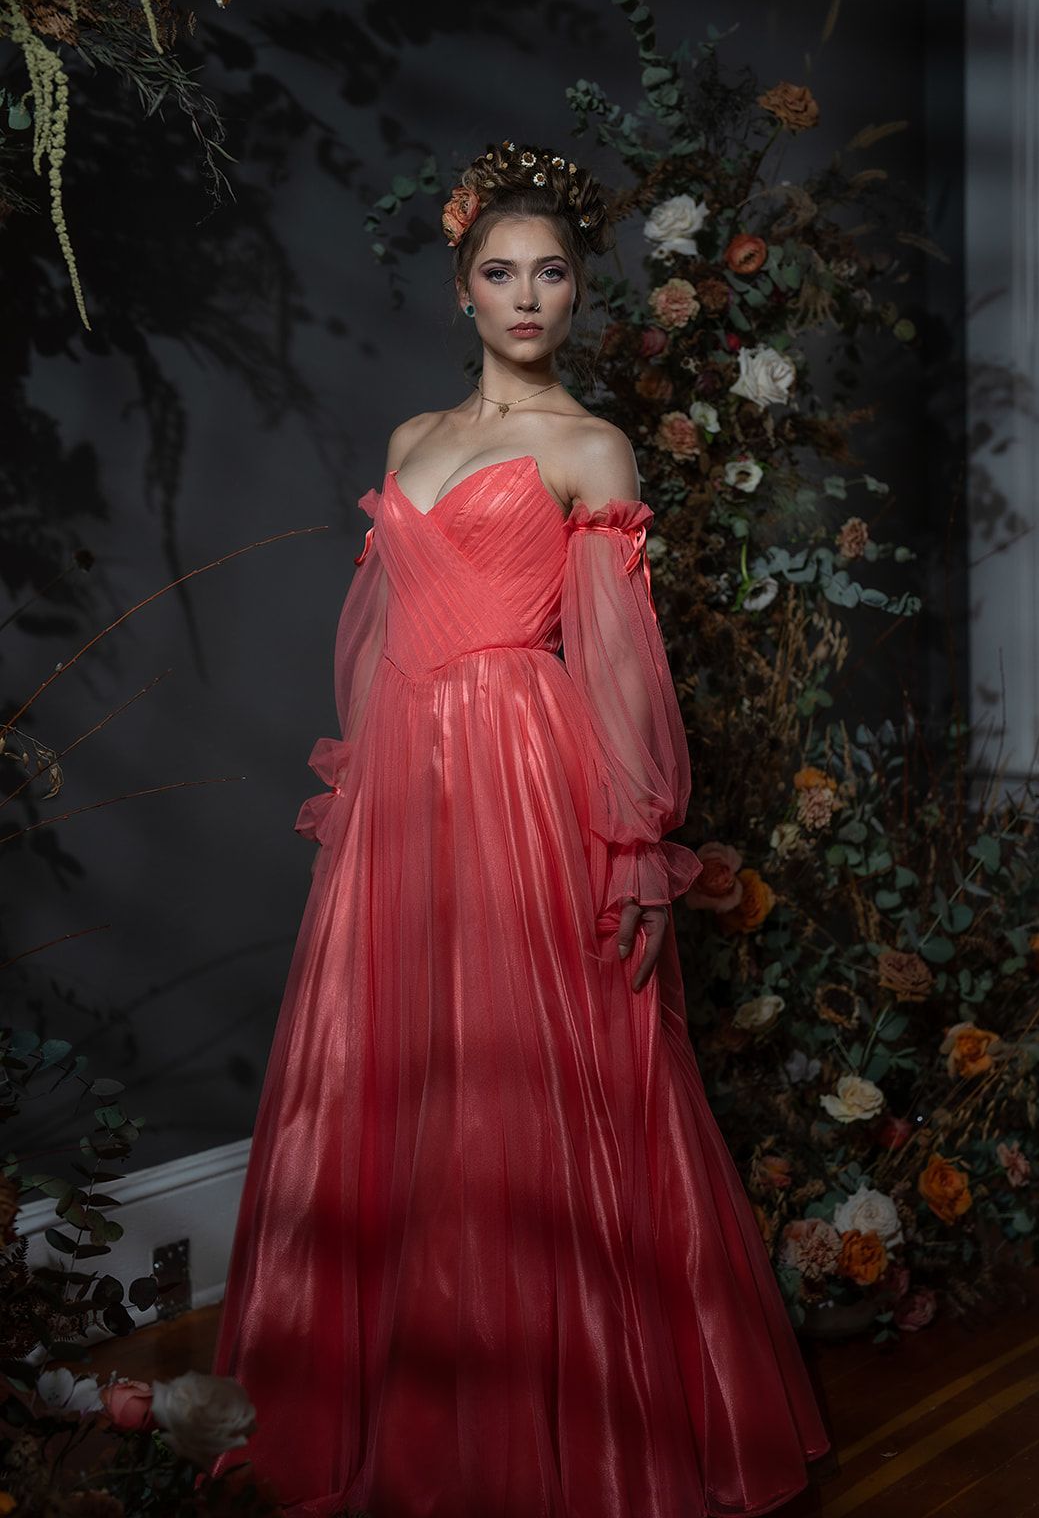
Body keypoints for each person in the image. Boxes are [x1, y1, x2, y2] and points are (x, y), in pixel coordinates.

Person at [210, 140, 833, 1517]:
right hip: (404, 801)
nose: (528, 297)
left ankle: (572, 1432)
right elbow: (372, 642)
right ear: (462, 292)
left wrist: (637, 846)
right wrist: (364, 794)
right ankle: (406, 1405)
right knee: (403, 1079)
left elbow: (619, 670)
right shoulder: (410, 445)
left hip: (525, 780)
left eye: (551, 273)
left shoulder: (590, 449)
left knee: (531, 1083)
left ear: (577, 293)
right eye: (501, 273)